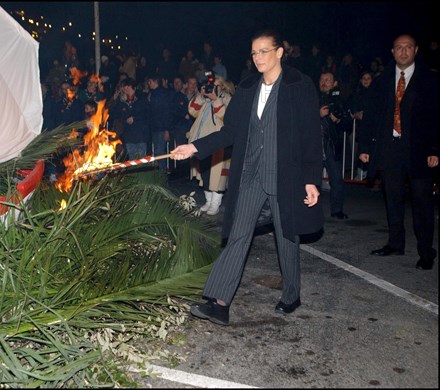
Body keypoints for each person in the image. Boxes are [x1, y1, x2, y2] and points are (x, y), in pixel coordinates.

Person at [170, 29, 323, 325]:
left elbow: (310, 135)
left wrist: (310, 179)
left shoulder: (298, 85)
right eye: (254, 53)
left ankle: (291, 294)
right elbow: (230, 132)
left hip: (285, 176)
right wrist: (193, 147)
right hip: (250, 175)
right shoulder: (248, 87)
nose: (258, 58)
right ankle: (220, 302)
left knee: (287, 237)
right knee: (238, 235)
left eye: (264, 51)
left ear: (280, 52)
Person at [358, 34, 439, 270]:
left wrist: (435, 149)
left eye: (408, 47)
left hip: (419, 151)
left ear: (416, 51)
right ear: (392, 52)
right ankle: (395, 243)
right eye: (399, 48)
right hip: (390, 148)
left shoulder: (429, 80)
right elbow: (370, 116)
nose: (403, 51)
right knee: (392, 199)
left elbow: (436, 117)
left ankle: (426, 252)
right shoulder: (382, 80)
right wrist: (364, 147)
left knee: (422, 202)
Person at [187, 74, 233, 215]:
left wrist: (215, 100)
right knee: (205, 173)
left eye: (216, 85)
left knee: (218, 176)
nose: (211, 88)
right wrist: (201, 96)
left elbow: (227, 116)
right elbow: (192, 111)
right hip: (201, 142)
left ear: (222, 86)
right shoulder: (205, 98)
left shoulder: (227, 98)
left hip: (218, 143)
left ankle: (215, 203)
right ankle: (208, 201)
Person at [319, 71, 352, 219]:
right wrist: (317, 114)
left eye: (327, 80)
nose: (324, 82)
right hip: (315, 145)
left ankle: (337, 210)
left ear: (334, 83)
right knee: (310, 178)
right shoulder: (312, 97)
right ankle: (308, 209)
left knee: (336, 179)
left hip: (332, 145)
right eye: (322, 79)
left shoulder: (340, 100)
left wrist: (337, 120)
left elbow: (348, 124)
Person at [112, 78, 151, 159]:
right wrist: (116, 101)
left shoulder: (141, 99)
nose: (125, 89)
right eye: (123, 87)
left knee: (141, 159)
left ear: (132, 87)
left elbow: (147, 114)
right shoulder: (122, 102)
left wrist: (135, 118)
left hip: (141, 136)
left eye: (127, 86)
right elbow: (115, 115)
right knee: (132, 160)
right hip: (129, 136)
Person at [146, 73, 172, 171]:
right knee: (157, 152)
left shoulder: (162, 94)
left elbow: (165, 112)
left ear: (155, 82)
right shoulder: (153, 94)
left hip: (160, 127)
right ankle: (160, 174)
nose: (149, 84)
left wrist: (166, 129)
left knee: (160, 152)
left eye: (150, 82)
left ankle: (163, 174)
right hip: (155, 127)